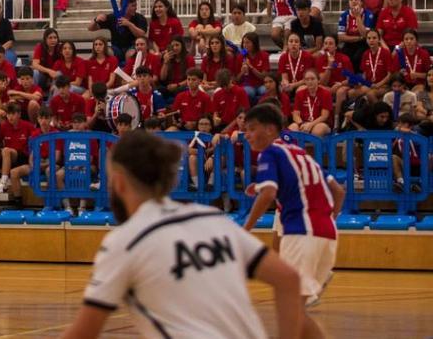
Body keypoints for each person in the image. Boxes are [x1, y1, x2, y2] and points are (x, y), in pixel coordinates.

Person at [62, 129, 309, 339]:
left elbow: (83, 333)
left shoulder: (125, 241)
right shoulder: (213, 218)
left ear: (118, 182)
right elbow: (288, 278)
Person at [242, 104, 344, 306]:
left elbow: (268, 194)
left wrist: (245, 229)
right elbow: (338, 191)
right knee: (298, 309)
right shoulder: (299, 153)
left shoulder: (269, 153)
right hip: (327, 234)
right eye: (245, 130)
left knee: (290, 305)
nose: (246, 135)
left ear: (270, 129)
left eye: (252, 129)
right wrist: (330, 219)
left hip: (300, 231)